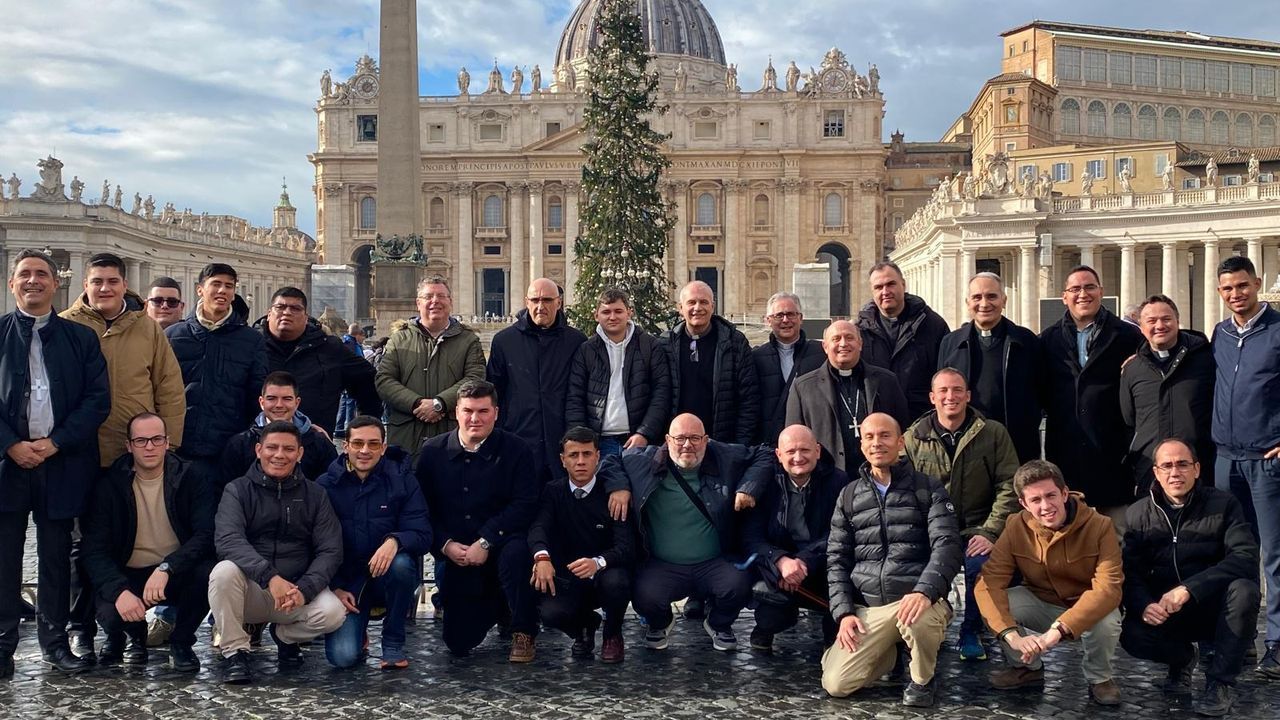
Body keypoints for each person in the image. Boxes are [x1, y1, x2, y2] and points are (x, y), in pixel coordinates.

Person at [60, 252, 187, 662]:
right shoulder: (65, 325)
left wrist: (169, 445)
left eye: (112, 281)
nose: (104, 288)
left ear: (124, 284)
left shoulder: (147, 329)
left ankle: (125, 629)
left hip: (133, 454)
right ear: (85, 283)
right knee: (81, 547)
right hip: (77, 454)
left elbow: (169, 387)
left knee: (128, 540)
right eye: (97, 281)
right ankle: (81, 627)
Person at [0, 249, 110, 677]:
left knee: (56, 557)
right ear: (12, 284)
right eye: (24, 274)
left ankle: (54, 642)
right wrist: (11, 444)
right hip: (8, 463)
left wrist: (55, 442)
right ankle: (4, 642)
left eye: (41, 274)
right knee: (4, 557)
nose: (33, 281)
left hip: (62, 461)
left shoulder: (81, 339)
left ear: (55, 283)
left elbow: (97, 399)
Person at [820, 413, 961, 707]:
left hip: (916, 599)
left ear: (900, 443)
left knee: (917, 619)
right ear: (862, 446)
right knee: (836, 684)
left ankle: (922, 680)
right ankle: (890, 653)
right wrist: (844, 613)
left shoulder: (928, 489)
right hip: (869, 608)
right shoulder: (848, 495)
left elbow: (947, 546)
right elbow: (836, 560)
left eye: (885, 436)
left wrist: (924, 591)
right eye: (869, 437)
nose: (877, 443)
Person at [1121, 439, 1260, 717]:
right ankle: (1182, 660)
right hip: (1167, 611)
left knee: (1245, 590)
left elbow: (1244, 557)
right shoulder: (1137, 513)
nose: (1175, 472)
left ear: (1197, 469)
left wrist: (1189, 589)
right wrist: (1145, 605)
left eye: (1183, 464)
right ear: (1156, 472)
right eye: (1167, 466)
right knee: (1131, 636)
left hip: (1213, 606)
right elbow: (1131, 573)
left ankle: (1220, 683)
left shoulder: (1224, 504)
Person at [617, 413, 772, 653]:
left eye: (695, 438)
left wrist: (748, 487)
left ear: (706, 440)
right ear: (667, 440)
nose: (687, 445)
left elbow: (765, 453)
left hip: (713, 561)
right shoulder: (642, 461)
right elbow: (611, 461)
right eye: (680, 438)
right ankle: (660, 623)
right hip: (663, 564)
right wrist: (619, 488)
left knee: (739, 585)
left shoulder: (724, 456)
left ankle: (719, 623)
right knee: (643, 594)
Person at [974, 460, 1124, 706]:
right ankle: (1027, 667)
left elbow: (1108, 588)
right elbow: (989, 582)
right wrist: (1012, 636)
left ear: (1065, 493)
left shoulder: (1100, 525)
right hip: (1042, 602)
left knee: (1107, 620)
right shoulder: (1015, 526)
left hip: (1087, 607)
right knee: (992, 604)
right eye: (1035, 500)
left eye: (1051, 495)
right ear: (1023, 503)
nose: (1046, 506)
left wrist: (1058, 631)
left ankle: (1100, 678)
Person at [208, 421, 346, 684]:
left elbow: (330, 549)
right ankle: (235, 651)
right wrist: (270, 578)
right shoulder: (237, 490)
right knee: (223, 573)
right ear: (258, 450)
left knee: (333, 613)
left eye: (288, 449)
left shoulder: (316, 495)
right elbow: (228, 540)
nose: (279, 455)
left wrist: (305, 589)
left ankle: (284, 637)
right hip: (252, 588)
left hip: (296, 590)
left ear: (300, 453)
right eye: (272, 447)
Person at [79, 413, 215, 673]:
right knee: (110, 612)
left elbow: (205, 535)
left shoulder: (191, 477)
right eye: (141, 440)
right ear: (129, 445)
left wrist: (168, 567)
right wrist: (119, 590)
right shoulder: (109, 486)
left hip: (173, 571)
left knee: (209, 573)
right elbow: (94, 550)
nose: (149, 447)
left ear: (167, 442)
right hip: (128, 574)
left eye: (156, 439)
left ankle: (181, 643)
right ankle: (133, 637)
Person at [416, 380, 541, 661]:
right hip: (459, 552)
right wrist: (445, 545)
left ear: (496, 412)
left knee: (516, 556)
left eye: (483, 411)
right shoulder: (432, 452)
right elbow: (423, 509)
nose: (475, 419)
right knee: (457, 642)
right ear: (455, 413)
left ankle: (524, 630)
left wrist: (486, 540)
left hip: (504, 542)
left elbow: (525, 504)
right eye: (468, 411)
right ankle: (500, 607)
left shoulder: (517, 449)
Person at [904, 368, 1019, 661]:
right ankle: (930, 625)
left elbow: (1009, 485)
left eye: (956, 390)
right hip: (931, 529)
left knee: (980, 564)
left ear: (967, 395)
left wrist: (990, 531)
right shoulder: (913, 438)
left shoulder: (993, 433)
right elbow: (904, 490)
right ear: (932, 397)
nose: (950, 397)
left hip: (977, 527)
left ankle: (972, 629)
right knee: (914, 564)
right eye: (943, 391)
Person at [1211, 255, 1280, 677]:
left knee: (1274, 554)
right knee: (1236, 552)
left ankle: (1277, 642)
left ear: (1257, 283)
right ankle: (1240, 637)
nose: (1235, 295)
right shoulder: (1219, 333)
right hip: (1224, 458)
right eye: (1227, 289)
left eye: (1242, 286)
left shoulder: (1277, 331)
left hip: (1265, 459)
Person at [317, 415, 431, 670]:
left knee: (402, 564)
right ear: (345, 446)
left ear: (383, 446)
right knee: (343, 658)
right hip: (347, 584)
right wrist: (333, 587)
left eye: (373, 444)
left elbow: (423, 533)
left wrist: (395, 541)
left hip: (387, 576)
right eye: (357, 444)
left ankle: (393, 640)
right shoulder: (325, 485)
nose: (365, 451)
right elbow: (314, 543)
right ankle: (359, 634)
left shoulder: (402, 480)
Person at [1039, 265, 1142, 532]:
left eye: (1089, 287)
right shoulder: (1048, 340)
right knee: (1069, 538)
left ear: (1101, 292)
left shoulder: (1128, 336)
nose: (1082, 294)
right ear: (1064, 297)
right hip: (1066, 453)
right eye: (1075, 289)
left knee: (1118, 537)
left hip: (1113, 453)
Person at [528, 427, 634, 663]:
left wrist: (598, 563)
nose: (581, 462)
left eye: (587, 454)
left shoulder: (613, 493)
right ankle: (584, 629)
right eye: (574, 455)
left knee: (618, 582)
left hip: (604, 573)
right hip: (568, 577)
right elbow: (538, 527)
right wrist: (542, 557)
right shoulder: (552, 491)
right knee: (549, 612)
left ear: (598, 456)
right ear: (563, 460)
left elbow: (626, 546)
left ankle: (612, 635)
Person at [743, 424, 850, 653]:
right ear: (779, 455)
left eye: (805, 450)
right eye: (790, 452)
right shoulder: (766, 484)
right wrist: (780, 561)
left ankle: (832, 635)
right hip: (778, 570)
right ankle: (767, 627)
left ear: (818, 451)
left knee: (843, 604)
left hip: (823, 565)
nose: (798, 458)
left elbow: (839, 533)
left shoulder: (839, 482)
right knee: (771, 617)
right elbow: (751, 537)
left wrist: (802, 561)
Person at [166, 263, 268, 483]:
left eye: (229, 286)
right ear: (200, 289)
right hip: (177, 448)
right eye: (216, 284)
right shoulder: (173, 336)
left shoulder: (251, 340)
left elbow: (256, 395)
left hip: (227, 450)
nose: (223, 291)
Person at [376, 275, 485, 462]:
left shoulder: (469, 340)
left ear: (450, 302)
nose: (435, 301)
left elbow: (475, 379)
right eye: (429, 297)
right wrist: (417, 403)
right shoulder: (399, 339)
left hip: (452, 436)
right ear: (418, 303)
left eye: (441, 296)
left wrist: (440, 403)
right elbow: (384, 380)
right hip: (406, 437)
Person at [487, 278, 587, 481]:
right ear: (527, 302)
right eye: (535, 300)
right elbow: (494, 391)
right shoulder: (504, 341)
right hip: (518, 437)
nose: (541, 306)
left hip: (562, 440)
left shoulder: (577, 341)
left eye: (547, 300)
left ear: (559, 303)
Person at [937, 272, 1043, 463]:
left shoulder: (1027, 341)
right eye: (977, 297)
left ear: (1004, 300)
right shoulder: (950, 343)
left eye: (992, 296)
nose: (984, 304)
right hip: (967, 447)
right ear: (968, 303)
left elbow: (1042, 392)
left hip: (1018, 446)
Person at [1120, 294, 1215, 495]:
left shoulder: (1206, 359)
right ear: (1141, 326)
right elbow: (1129, 419)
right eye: (1151, 321)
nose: (1159, 326)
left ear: (1178, 321)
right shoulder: (1133, 369)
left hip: (1199, 466)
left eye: (1166, 319)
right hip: (1151, 469)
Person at [785, 320, 908, 472]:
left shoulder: (886, 381)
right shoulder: (803, 387)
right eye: (836, 339)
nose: (843, 344)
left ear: (860, 344)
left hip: (879, 474)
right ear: (825, 346)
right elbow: (794, 438)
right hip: (827, 478)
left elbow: (902, 427)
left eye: (849, 338)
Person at [258, 288, 380, 437]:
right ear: (269, 313)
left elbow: (369, 383)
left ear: (306, 317)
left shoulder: (330, 349)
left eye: (295, 308)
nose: (287, 313)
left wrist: (364, 431)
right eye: (280, 307)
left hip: (315, 447)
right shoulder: (249, 346)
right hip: (256, 446)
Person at [565, 288, 671, 457]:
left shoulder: (650, 346)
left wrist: (645, 433)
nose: (612, 317)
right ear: (596, 315)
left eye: (618, 311)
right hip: (599, 442)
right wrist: (583, 441)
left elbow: (661, 393)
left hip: (638, 440)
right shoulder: (586, 350)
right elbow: (575, 397)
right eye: (606, 312)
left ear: (629, 313)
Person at [856, 262, 951, 422]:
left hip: (922, 422)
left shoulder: (933, 324)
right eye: (879, 287)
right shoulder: (860, 330)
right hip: (877, 425)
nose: (885, 292)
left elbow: (945, 375)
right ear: (872, 292)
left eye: (891, 284)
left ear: (903, 284)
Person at [667, 281, 759, 445]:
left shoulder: (735, 342)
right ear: (680, 308)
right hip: (679, 443)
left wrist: (739, 445)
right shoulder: (665, 344)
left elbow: (749, 398)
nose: (697, 308)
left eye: (704, 302)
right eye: (691, 302)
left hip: (723, 442)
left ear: (713, 306)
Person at [223, 371, 338, 487]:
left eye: (286, 399)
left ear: (297, 403)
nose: (279, 405)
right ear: (261, 402)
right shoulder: (240, 444)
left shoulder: (319, 443)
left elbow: (332, 487)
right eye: (272, 398)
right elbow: (226, 490)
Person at [752, 292, 824, 446]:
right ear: (768, 321)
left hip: (812, 442)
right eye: (779, 315)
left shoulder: (822, 354)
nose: (785, 320)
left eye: (791, 314)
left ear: (801, 318)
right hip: (771, 443)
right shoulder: (755, 358)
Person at [334, 323, 368, 436]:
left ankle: (339, 428)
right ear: (358, 335)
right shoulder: (351, 344)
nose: (363, 339)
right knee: (350, 404)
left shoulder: (346, 342)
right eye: (362, 337)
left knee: (344, 403)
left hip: (345, 378)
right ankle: (350, 427)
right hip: (352, 378)